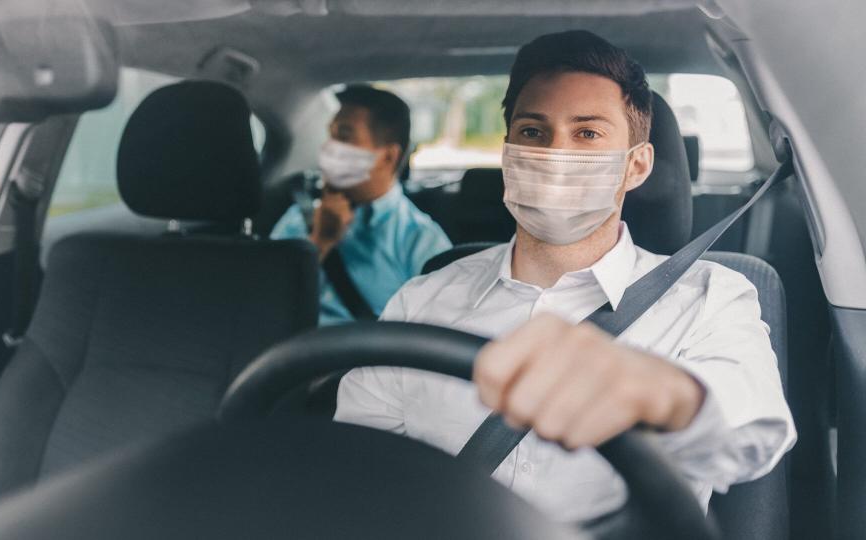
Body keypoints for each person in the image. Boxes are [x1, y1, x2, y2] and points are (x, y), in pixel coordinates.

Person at [335, 31, 795, 522]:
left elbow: (754, 431)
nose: (556, 155)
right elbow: (359, 471)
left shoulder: (710, 296)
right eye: (534, 132)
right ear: (508, 151)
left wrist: (661, 391)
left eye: (588, 134)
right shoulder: (419, 302)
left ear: (636, 165)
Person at [271, 85, 451, 325]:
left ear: (388, 157)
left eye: (343, 136)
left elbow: (437, 335)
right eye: (330, 135)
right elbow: (262, 304)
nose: (328, 148)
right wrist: (319, 243)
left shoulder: (420, 240)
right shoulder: (297, 218)